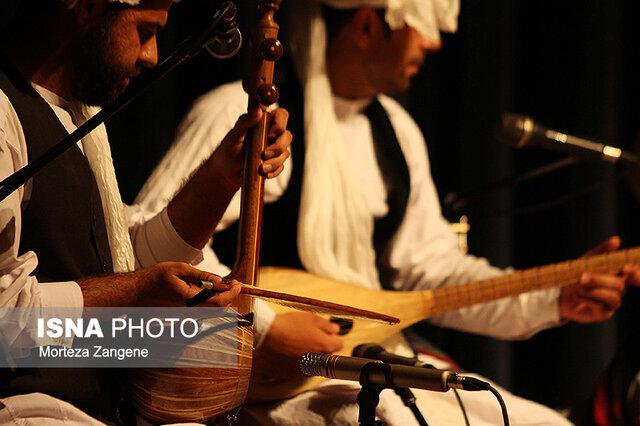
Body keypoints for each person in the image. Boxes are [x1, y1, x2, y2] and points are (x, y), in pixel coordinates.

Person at [136, 0, 640, 424]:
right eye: (422, 26)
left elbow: (434, 274)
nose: (435, 44)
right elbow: (154, 246)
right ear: (366, 25)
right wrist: (262, 326)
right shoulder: (240, 114)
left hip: (372, 353)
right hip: (273, 379)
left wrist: (556, 296)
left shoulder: (396, 131)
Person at [0, 0, 292, 423]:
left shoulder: (78, 117)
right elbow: (6, 323)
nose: (151, 56)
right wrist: (138, 291)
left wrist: (224, 176)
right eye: (145, 31)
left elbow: (123, 261)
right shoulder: (5, 113)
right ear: (85, 8)